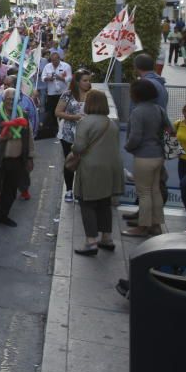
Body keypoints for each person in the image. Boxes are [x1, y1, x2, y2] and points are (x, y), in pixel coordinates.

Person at [69, 90, 123, 255]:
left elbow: (78, 147)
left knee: (87, 204)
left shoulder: (85, 122)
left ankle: (91, 241)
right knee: (104, 203)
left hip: (91, 167)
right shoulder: (111, 123)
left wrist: (72, 149)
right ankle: (106, 238)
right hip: (111, 168)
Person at [0, 88, 34, 231]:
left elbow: (29, 139)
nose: (11, 102)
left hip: (16, 160)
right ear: (3, 100)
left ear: (19, 101)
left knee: (10, 191)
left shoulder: (25, 116)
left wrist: (30, 157)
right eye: (8, 99)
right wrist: (0, 138)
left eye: (14, 99)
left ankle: (2, 216)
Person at [123, 79, 168, 237]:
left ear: (137, 94)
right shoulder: (159, 109)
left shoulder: (138, 111)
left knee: (144, 193)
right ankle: (156, 226)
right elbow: (170, 128)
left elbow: (135, 136)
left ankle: (142, 227)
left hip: (144, 156)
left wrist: (128, 147)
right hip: (158, 155)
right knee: (155, 191)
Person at [56, 69, 93, 203]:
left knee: (84, 163)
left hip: (87, 136)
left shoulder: (92, 95)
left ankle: (80, 190)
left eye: (89, 80)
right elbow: (58, 112)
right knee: (70, 161)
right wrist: (74, 117)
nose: (88, 83)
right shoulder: (67, 95)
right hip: (68, 134)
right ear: (77, 82)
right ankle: (69, 190)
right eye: (85, 80)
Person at [41, 51, 72, 137]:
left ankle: (65, 128)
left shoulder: (66, 66)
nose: (54, 62)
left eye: (55, 60)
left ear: (59, 59)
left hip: (63, 93)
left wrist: (61, 78)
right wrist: (48, 78)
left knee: (64, 111)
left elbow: (69, 78)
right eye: (52, 60)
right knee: (52, 112)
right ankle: (54, 129)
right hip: (51, 93)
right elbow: (42, 77)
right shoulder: (47, 66)